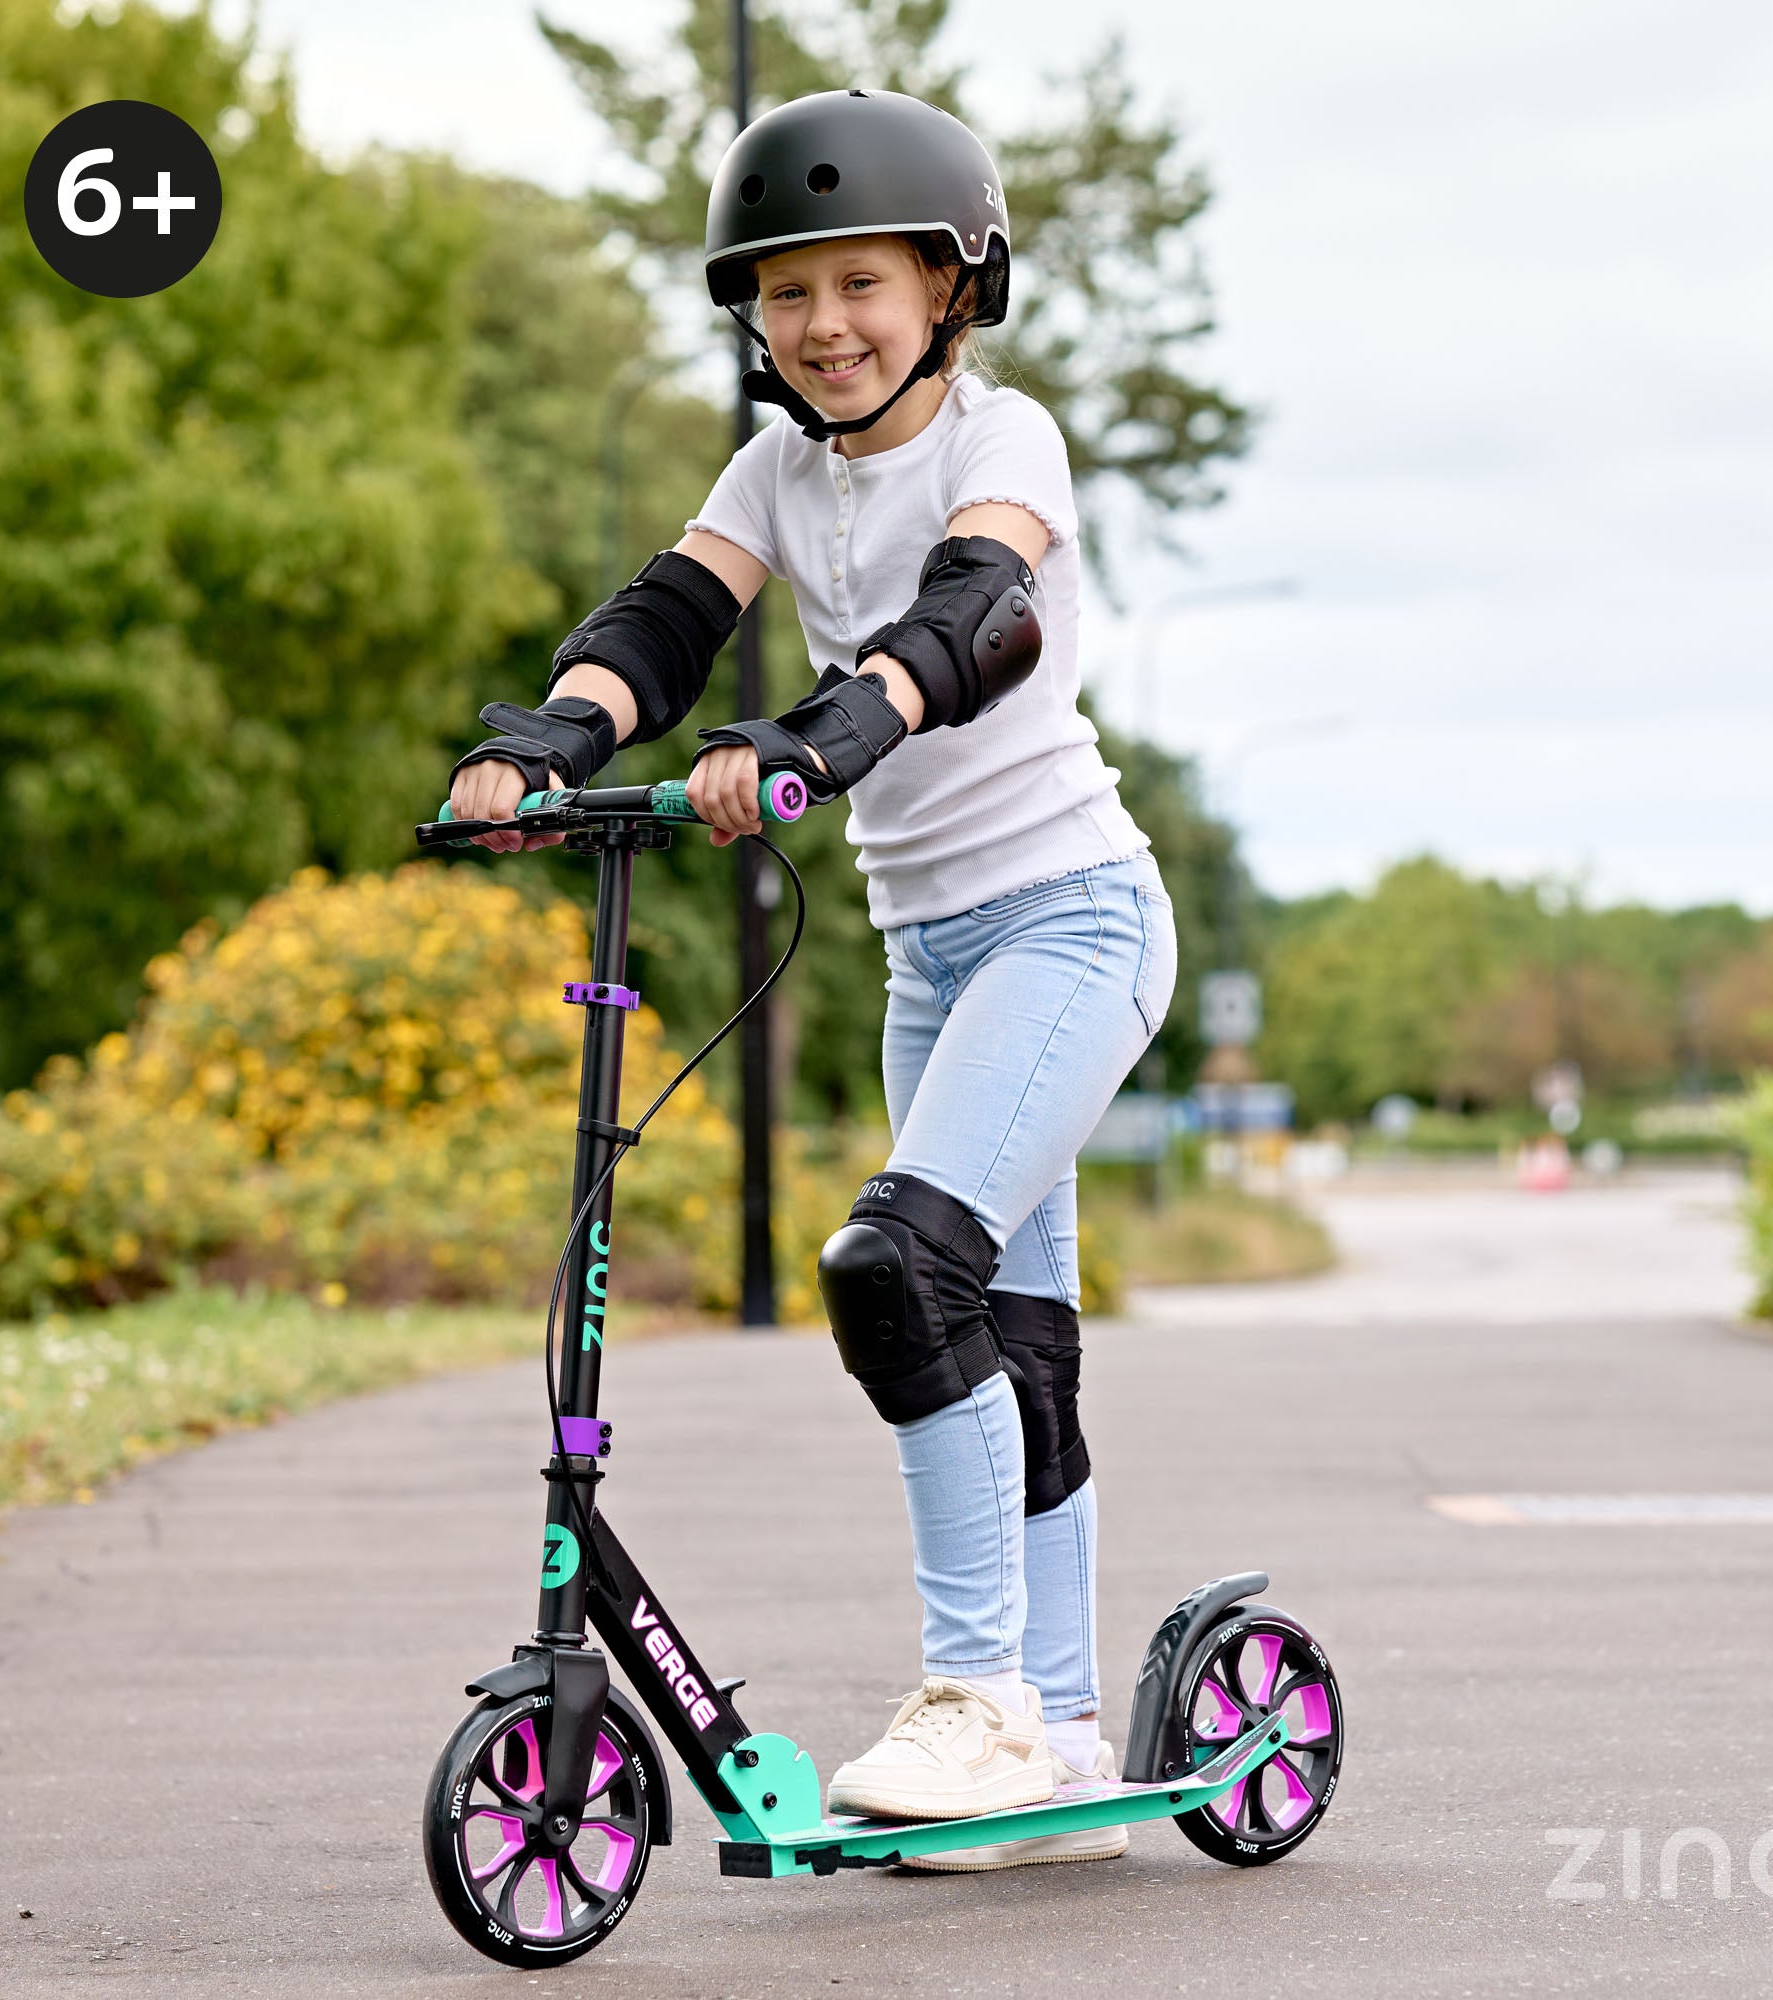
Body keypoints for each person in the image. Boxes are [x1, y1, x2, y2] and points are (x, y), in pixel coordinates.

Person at [448, 89, 1175, 1871]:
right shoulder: (773, 471)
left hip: (1075, 922)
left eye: (861, 284)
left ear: (950, 286)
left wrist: (820, 734)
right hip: (932, 957)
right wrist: (549, 741)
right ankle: (1062, 1738)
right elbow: (664, 625)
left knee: (894, 1272)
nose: (824, 324)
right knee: (1015, 1340)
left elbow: (970, 620)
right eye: (786, 292)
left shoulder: (1008, 437)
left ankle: (977, 1701)